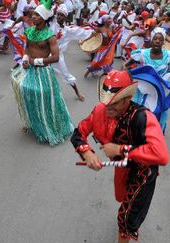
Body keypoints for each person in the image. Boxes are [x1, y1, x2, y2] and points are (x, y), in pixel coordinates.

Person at [71, 70, 169, 243]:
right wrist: (87, 152)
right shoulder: (100, 110)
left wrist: (120, 149)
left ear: (127, 98)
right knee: (124, 201)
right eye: (105, 100)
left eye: (114, 102)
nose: (108, 106)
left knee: (126, 219)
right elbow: (78, 133)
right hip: (123, 168)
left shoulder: (143, 117)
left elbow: (161, 155)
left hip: (143, 172)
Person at [11, 0, 74, 146]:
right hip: (30, 71)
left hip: (43, 73)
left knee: (45, 100)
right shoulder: (29, 31)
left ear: (44, 18)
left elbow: (56, 57)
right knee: (27, 95)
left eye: (37, 15)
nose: (33, 17)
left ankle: (49, 129)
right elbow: (27, 48)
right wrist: (26, 59)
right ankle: (34, 124)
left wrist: (35, 61)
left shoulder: (50, 36)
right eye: (33, 14)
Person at [50, 5, 94, 101]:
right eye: (58, 15)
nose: (59, 17)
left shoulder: (67, 30)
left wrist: (92, 32)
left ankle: (77, 93)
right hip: (46, 54)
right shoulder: (51, 23)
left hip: (57, 56)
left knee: (66, 74)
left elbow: (79, 32)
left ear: (66, 17)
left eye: (62, 15)